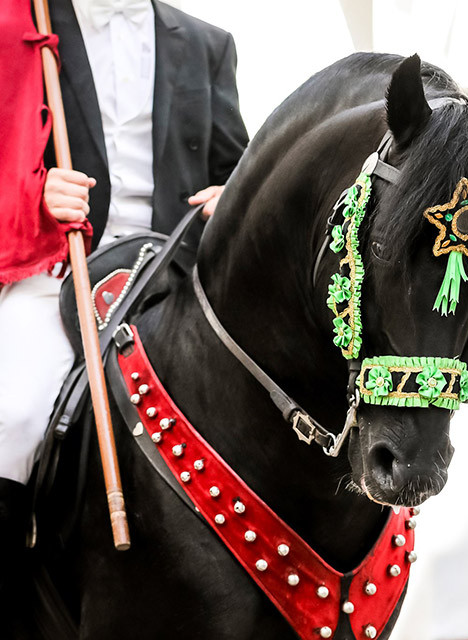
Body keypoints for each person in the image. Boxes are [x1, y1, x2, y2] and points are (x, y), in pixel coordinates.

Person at [0, 0, 248, 593]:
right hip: (61, 271)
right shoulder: (26, 27)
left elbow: (236, 170)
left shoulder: (208, 44)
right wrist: (37, 194)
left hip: (172, 278)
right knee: (9, 417)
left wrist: (229, 198)